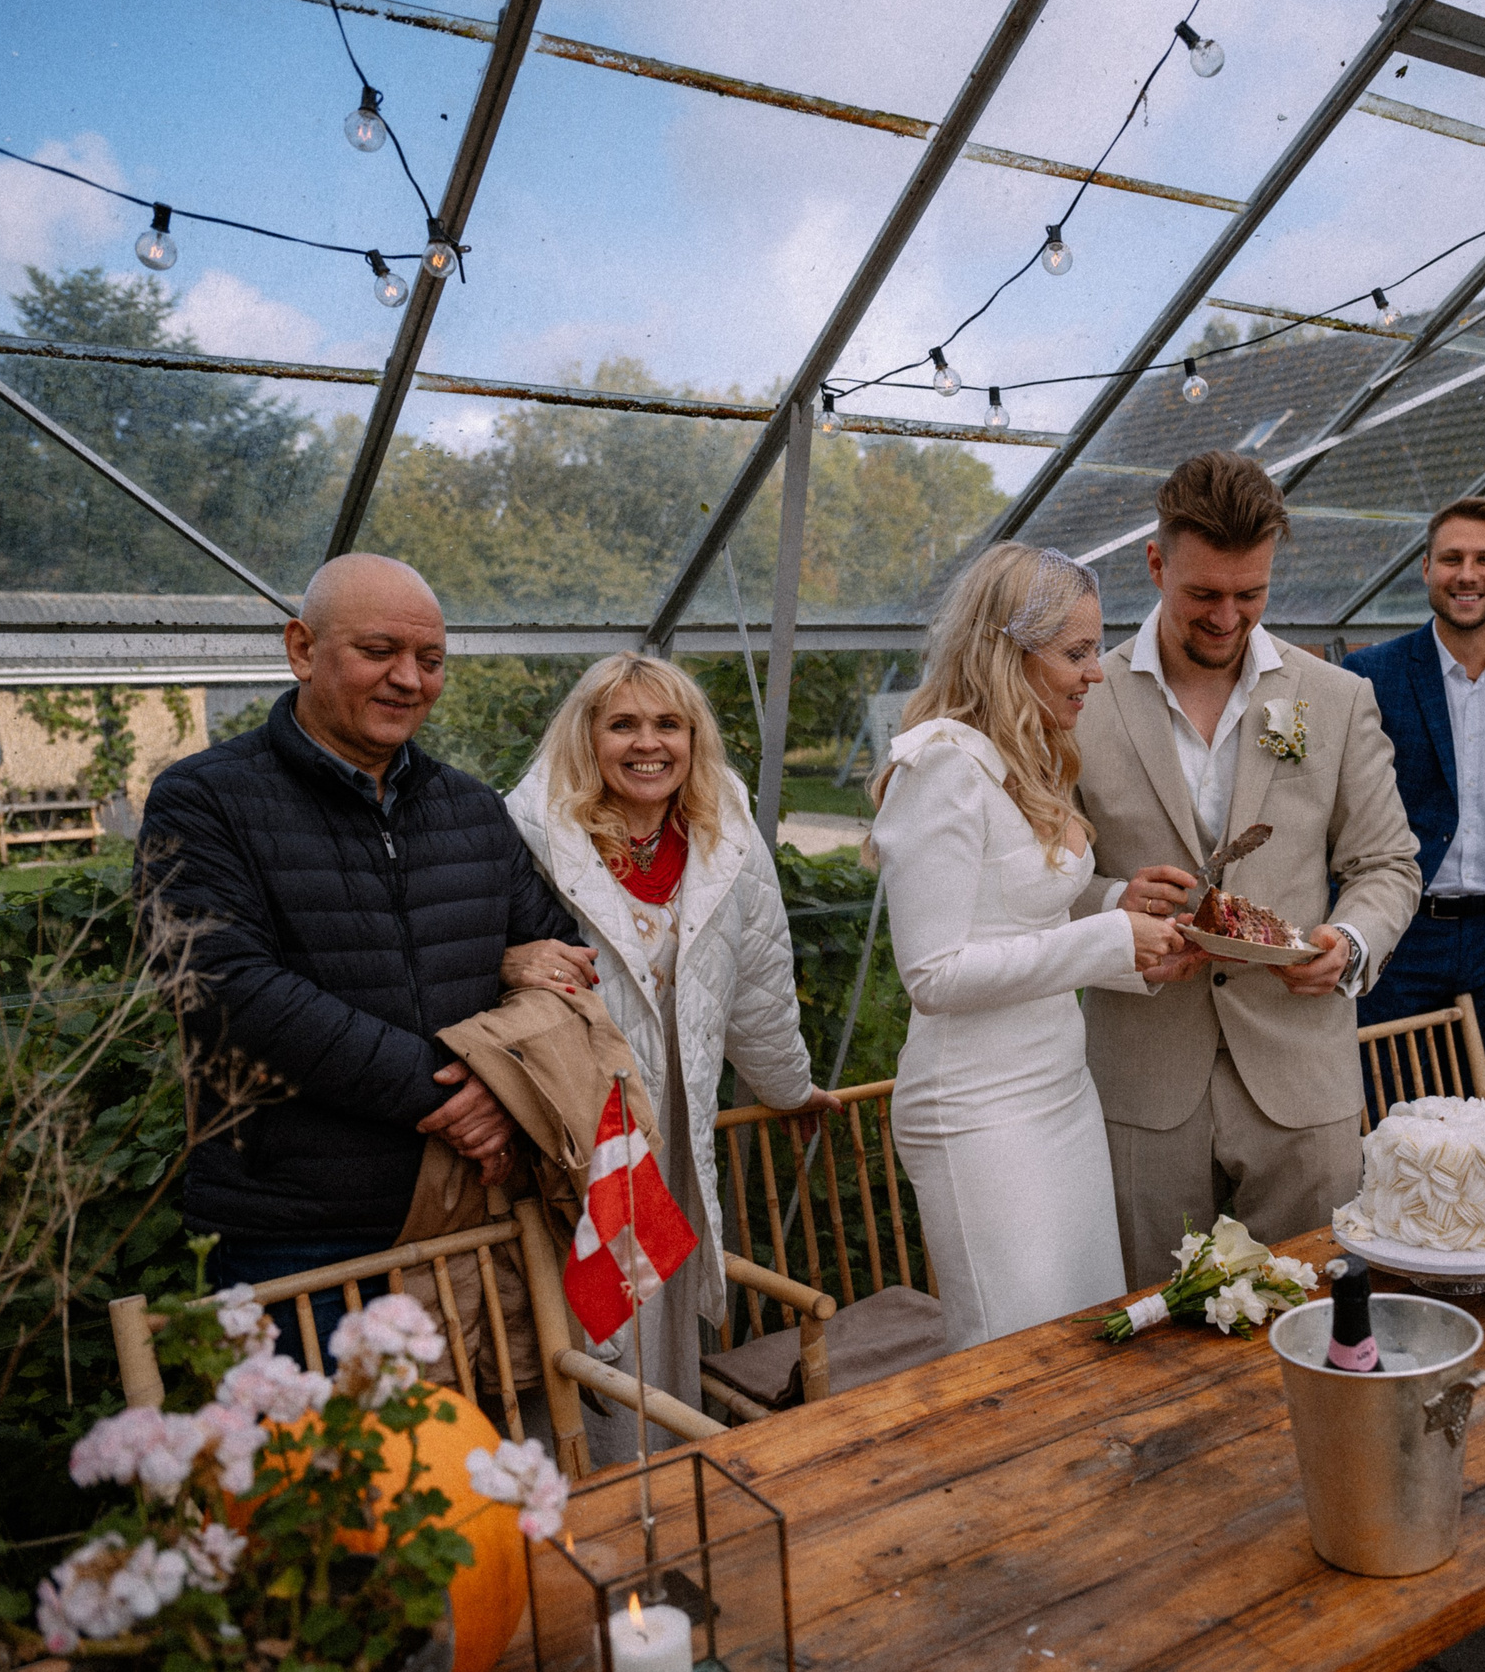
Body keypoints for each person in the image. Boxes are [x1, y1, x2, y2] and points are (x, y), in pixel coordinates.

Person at [138, 554, 581, 1349]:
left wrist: (504, 1066)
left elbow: (562, 961)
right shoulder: (205, 799)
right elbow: (227, 989)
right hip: (300, 1231)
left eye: (431, 659)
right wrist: (458, 1095)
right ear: (302, 648)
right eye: (379, 651)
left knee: (468, 1458)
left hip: (463, 1218)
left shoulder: (473, 811)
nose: (409, 679)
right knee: (317, 1466)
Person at [1073, 450, 1423, 1290]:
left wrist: (1350, 939)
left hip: (1304, 1085)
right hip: (1144, 1086)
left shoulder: (1332, 698)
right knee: (1153, 1327)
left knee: (1314, 1319)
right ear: (1155, 564)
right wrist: (1113, 902)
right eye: (1203, 594)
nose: (1229, 617)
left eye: (1251, 594)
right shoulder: (1083, 697)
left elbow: (1387, 864)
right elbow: (1032, 878)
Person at [868, 544, 1187, 1352]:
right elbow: (935, 974)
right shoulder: (939, 765)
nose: (1097, 671)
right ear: (1008, 651)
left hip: (1060, 1092)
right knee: (1016, 1352)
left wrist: (1122, 905)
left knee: (1087, 1336)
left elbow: (1014, 906)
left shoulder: (1030, 749)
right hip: (979, 1112)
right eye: (1076, 652)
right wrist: (1112, 939)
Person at [501, 653, 840, 1409]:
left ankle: (673, 1496)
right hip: (583, 1133)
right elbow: (482, 965)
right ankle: (608, 1504)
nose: (646, 742)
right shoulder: (533, 835)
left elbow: (757, 982)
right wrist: (508, 960)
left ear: (694, 738)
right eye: (622, 723)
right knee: (593, 1332)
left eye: (668, 724)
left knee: (662, 1326)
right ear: (587, 737)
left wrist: (790, 1088)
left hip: (675, 1127)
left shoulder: (725, 834)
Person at [1343, 496, 1485, 1070]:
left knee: (1478, 1111)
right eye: (1451, 559)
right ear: (1426, 568)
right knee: (1386, 1106)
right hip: (1402, 932)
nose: (1467, 575)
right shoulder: (1371, 676)